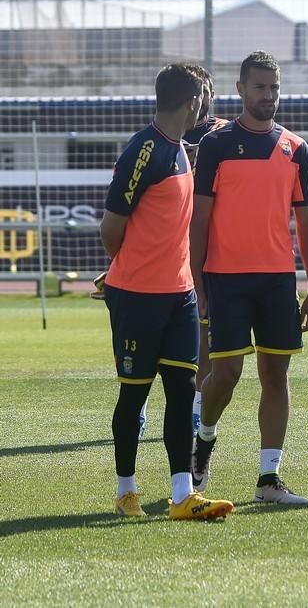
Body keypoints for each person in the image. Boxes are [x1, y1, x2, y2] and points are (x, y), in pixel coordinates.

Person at [100, 63, 234, 519]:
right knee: (134, 393)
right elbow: (111, 226)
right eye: (204, 97)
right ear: (193, 101)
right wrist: (127, 270)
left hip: (180, 294)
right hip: (138, 295)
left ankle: (182, 497)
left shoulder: (179, 149)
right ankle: (126, 492)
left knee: (181, 392)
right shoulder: (145, 150)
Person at [190, 50, 308, 505]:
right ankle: (204, 438)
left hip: (276, 282)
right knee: (224, 374)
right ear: (241, 89)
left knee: (275, 374)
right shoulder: (216, 144)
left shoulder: (295, 148)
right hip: (224, 279)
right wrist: (198, 282)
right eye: (260, 87)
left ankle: (269, 479)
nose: (268, 95)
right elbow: (200, 220)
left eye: (275, 87)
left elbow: (306, 222)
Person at [136, 64, 229, 440]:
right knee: (146, 332)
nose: (201, 100)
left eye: (207, 91)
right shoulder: (158, 137)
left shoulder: (223, 135)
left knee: (203, 330)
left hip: (208, 245)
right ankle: (138, 403)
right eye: (197, 92)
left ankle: (193, 408)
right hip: (163, 248)